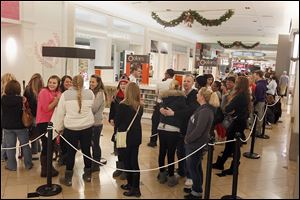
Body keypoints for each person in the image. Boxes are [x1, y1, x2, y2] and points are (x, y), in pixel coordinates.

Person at [55, 75, 95, 186]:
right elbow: (92, 107)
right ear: (83, 83)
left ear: (72, 83)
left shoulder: (65, 95)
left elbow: (60, 113)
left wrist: (58, 128)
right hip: (87, 127)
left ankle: (68, 178)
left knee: (70, 153)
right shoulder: (90, 93)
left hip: (71, 128)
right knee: (87, 151)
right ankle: (88, 175)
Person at [161, 74, 199, 190]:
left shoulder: (194, 94)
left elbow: (190, 110)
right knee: (180, 151)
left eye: (188, 81)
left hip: (190, 127)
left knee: (188, 152)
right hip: (178, 127)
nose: (186, 83)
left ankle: (189, 176)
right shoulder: (180, 94)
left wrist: (175, 113)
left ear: (193, 83)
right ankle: (182, 171)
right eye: (185, 81)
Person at [212, 76, 251, 175]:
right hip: (240, 121)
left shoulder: (240, 95)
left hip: (237, 122)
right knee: (230, 145)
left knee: (233, 146)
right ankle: (221, 163)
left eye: (237, 82)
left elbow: (228, 108)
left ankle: (233, 168)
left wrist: (231, 107)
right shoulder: (245, 94)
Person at [184, 87, 216, 199]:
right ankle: (196, 189)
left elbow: (199, 130)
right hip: (194, 144)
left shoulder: (205, 111)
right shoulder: (202, 109)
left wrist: (188, 139)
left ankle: (197, 191)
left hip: (196, 145)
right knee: (196, 167)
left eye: (198, 93)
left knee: (193, 168)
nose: (196, 94)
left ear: (202, 96)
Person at [157, 80, 187, 187]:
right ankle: (170, 176)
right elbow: (184, 113)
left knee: (162, 151)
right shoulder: (182, 98)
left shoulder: (164, 97)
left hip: (161, 126)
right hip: (173, 128)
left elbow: (159, 107)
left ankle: (161, 174)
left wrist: (161, 108)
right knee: (171, 153)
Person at [116, 82, 143, 197]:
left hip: (125, 137)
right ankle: (132, 185)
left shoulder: (123, 105)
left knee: (128, 162)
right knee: (134, 161)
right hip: (136, 137)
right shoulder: (139, 106)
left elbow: (117, 122)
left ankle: (134, 188)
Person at [2, 80, 33, 171]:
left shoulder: (3, 99)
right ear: (18, 89)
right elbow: (28, 109)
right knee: (25, 146)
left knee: (10, 147)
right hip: (21, 126)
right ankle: (28, 165)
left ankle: (11, 166)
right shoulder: (22, 99)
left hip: (7, 126)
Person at [36, 75, 61, 177]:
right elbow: (46, 108)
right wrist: (56, 100)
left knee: (51, 146)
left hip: (53, 122)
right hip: (43, 123)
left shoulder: (57, 92)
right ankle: (45, 170)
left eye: (54, 83)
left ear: (58, 84)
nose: (51, 84)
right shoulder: (43, 92)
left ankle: (49, 168)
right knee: (46, 147)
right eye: (50, 82)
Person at [147, 68, 174, 148]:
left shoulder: (160, 83)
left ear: (167, 74)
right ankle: (167, 143)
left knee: (155, 123)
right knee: (168, 124)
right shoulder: (176, 84)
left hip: (160, 104)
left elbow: (156, 93)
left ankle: (153, 141)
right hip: (171, 107)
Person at [109, 78, 129, 179]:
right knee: (119, 147)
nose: (123, 86)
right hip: (117, 126)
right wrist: (111, 119)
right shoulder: (115, 97)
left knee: (125, 148)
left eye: (125, 84)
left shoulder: (130, 98)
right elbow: (112, 110)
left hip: (126, 127)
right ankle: (119, 168)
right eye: (121, 84)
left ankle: (125, 169)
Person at [23, 73, 44, 160]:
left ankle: (34, 151)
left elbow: (27, 104)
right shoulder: (42, 90)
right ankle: (37, 150)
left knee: (32, 133)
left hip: (32, 114)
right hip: (40, 115)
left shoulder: (28, 90)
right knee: (37, 133)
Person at [89, 74, 106, 172]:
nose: (91, 83)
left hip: (96, 123)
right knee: (92, 143)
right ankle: (93, 162)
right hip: (90, 122)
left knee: (95, 143)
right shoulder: (91, 92)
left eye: (93, 82)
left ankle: (96, 164)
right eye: (90, 81)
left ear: (98, 83)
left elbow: (94, 108)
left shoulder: (100, 93)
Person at [57, 75, 73, 166]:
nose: (69, 83)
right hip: (60, 119)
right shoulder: (60, 93)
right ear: (62, 83)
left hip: (70, 120)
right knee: (61, 141)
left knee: (68, 140)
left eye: (70, 82)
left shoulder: (73, 93)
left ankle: (67, 158)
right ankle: (62, 157)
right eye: (67, 82)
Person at [1, 73, 16, 162]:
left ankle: (4, 155)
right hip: (7, 118)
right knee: (6, 138)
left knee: (6, 138)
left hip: (5, 117)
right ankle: (3, 155)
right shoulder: (8, 94)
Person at [253, 70, 267, 136]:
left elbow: (258, 97)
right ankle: (258, 131)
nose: (254, 76)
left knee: (258, 117)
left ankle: (258, 132)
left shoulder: (259, 85)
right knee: (260, 116)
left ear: (258, 75)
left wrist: (254, 103)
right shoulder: (263, 83)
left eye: (255, 75)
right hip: (262, 102)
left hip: (259, 102)